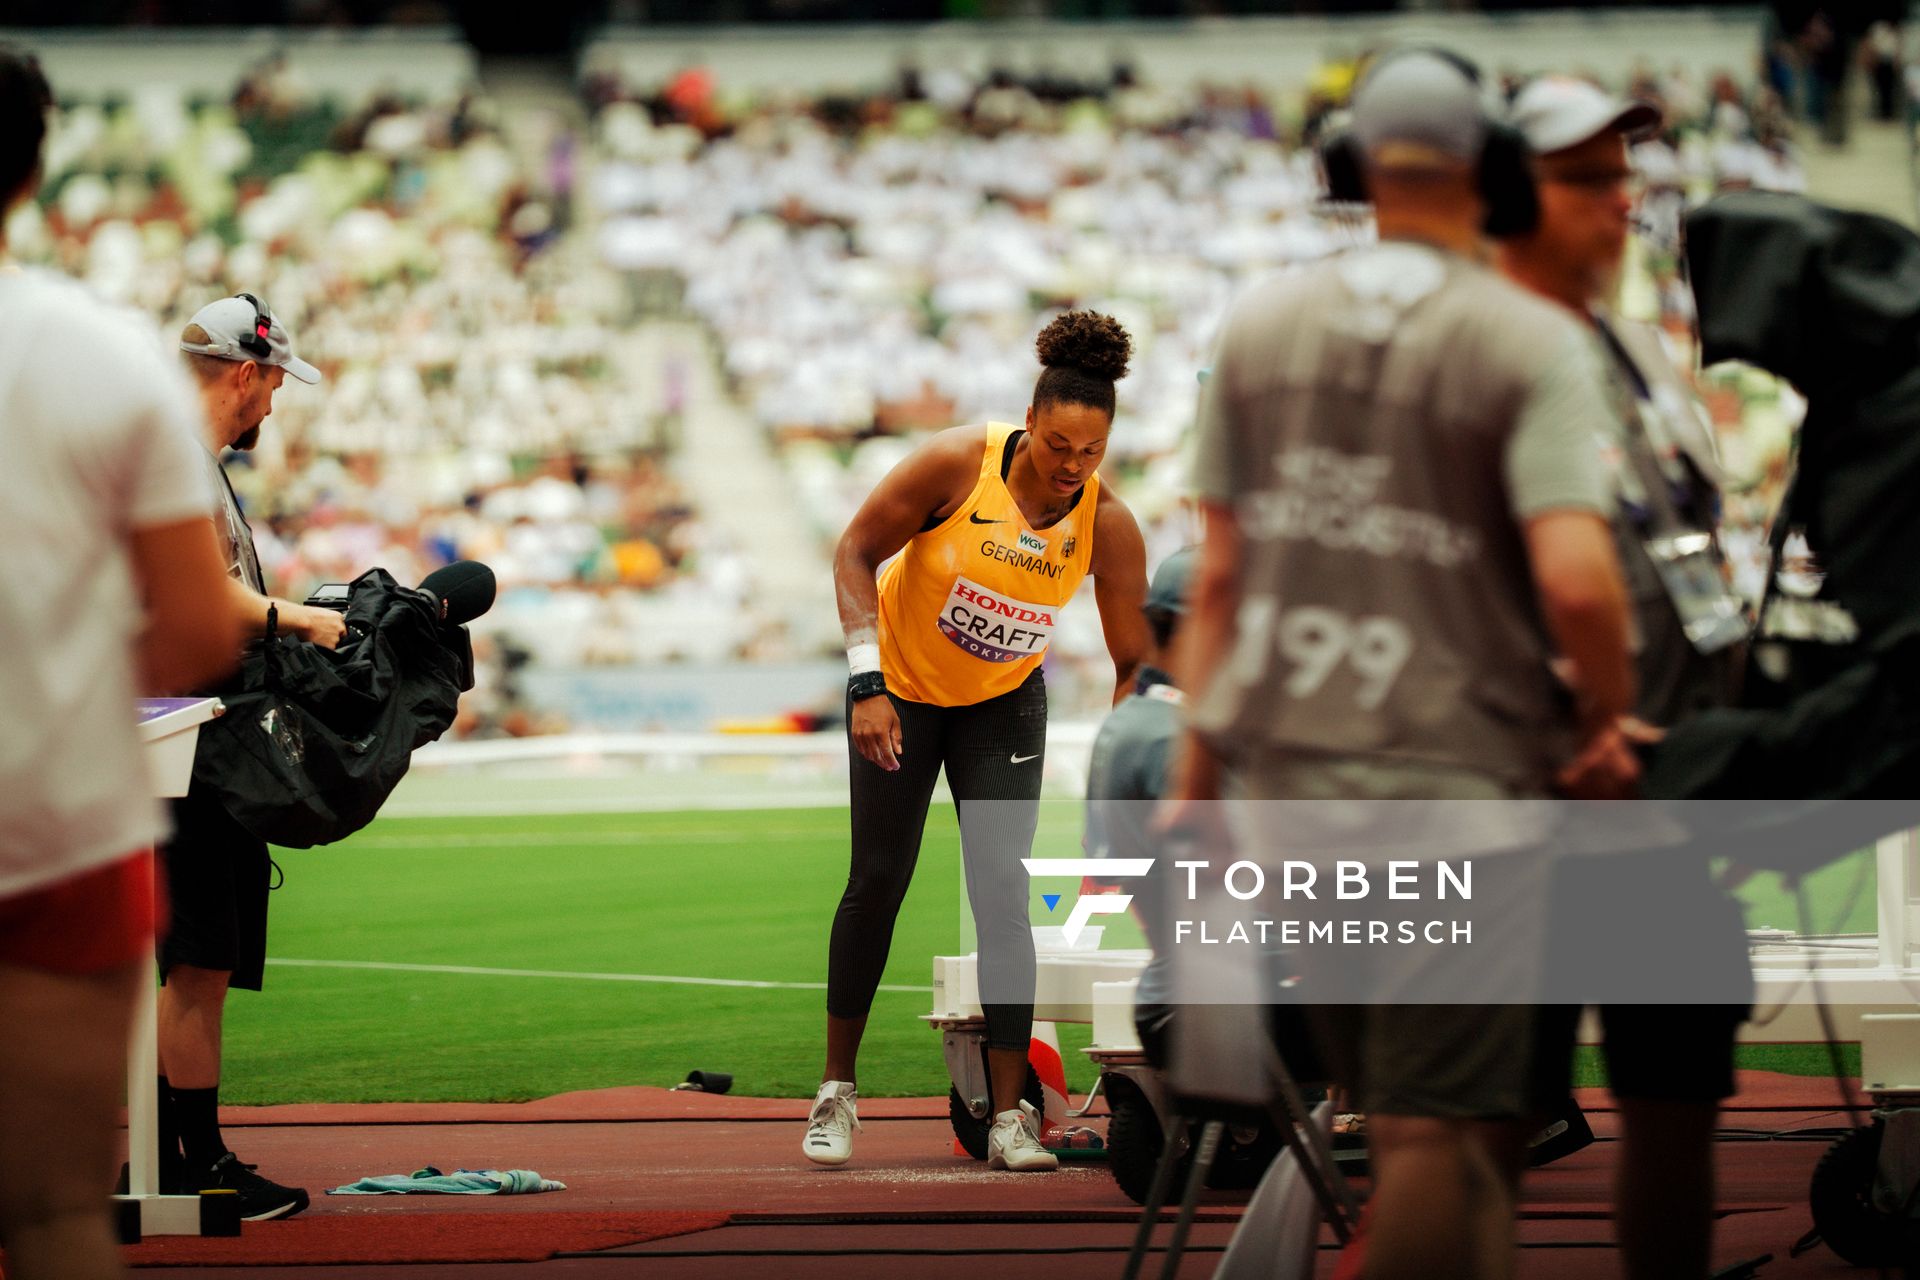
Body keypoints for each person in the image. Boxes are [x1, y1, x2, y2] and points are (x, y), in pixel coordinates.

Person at [1168, 49, 1639, 1280]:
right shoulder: (1523, 335)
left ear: (1350, 165)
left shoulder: (1261, 322)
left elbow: (1220, 582)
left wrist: (1195, 785)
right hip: (1458, 792)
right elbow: (1579, 580)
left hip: (1295, 797)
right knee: (1442, 1136)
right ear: (1494, 168)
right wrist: (1606, 718)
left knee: (1442, 1126)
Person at [1502, 76, 1752, 1280]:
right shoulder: (1475, 347)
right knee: (1470, 1129)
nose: (1623, 200)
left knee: (1676, 1098)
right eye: (1587, 179)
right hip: (1527, 796)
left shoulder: (1631, 342)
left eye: (1625, 174)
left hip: (1658, 789)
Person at [0, 45, 243, 1280]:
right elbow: (198, 632)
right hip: (54, 821)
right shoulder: (100, 353)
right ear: (32, 166)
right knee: (54, 1213)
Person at [809, 310, 1150, 1172]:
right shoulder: (957, 464)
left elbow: (1134, 663)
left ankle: (1008, 1119)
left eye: (1092, 452)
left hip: (1002, 705)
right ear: (1029, 421)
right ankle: (837, 1091)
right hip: (899, 693)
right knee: (877, 881)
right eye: (1058, 445)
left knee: (1004, 896)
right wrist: (865, 683)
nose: (1072, 466)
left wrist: (1127, 759)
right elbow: (854, 552)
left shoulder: (1107, 523)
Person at [148, 294, 341, 1221]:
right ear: (245, 372)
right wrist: (303, 619)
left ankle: (168, 1158)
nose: (274, 401)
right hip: (181, 740)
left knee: (202, 961)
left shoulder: (184, 460)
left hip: (185, 734)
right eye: (273, 383)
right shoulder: (177, 461)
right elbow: (197, 593)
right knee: (199, 960)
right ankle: (196, 1165)